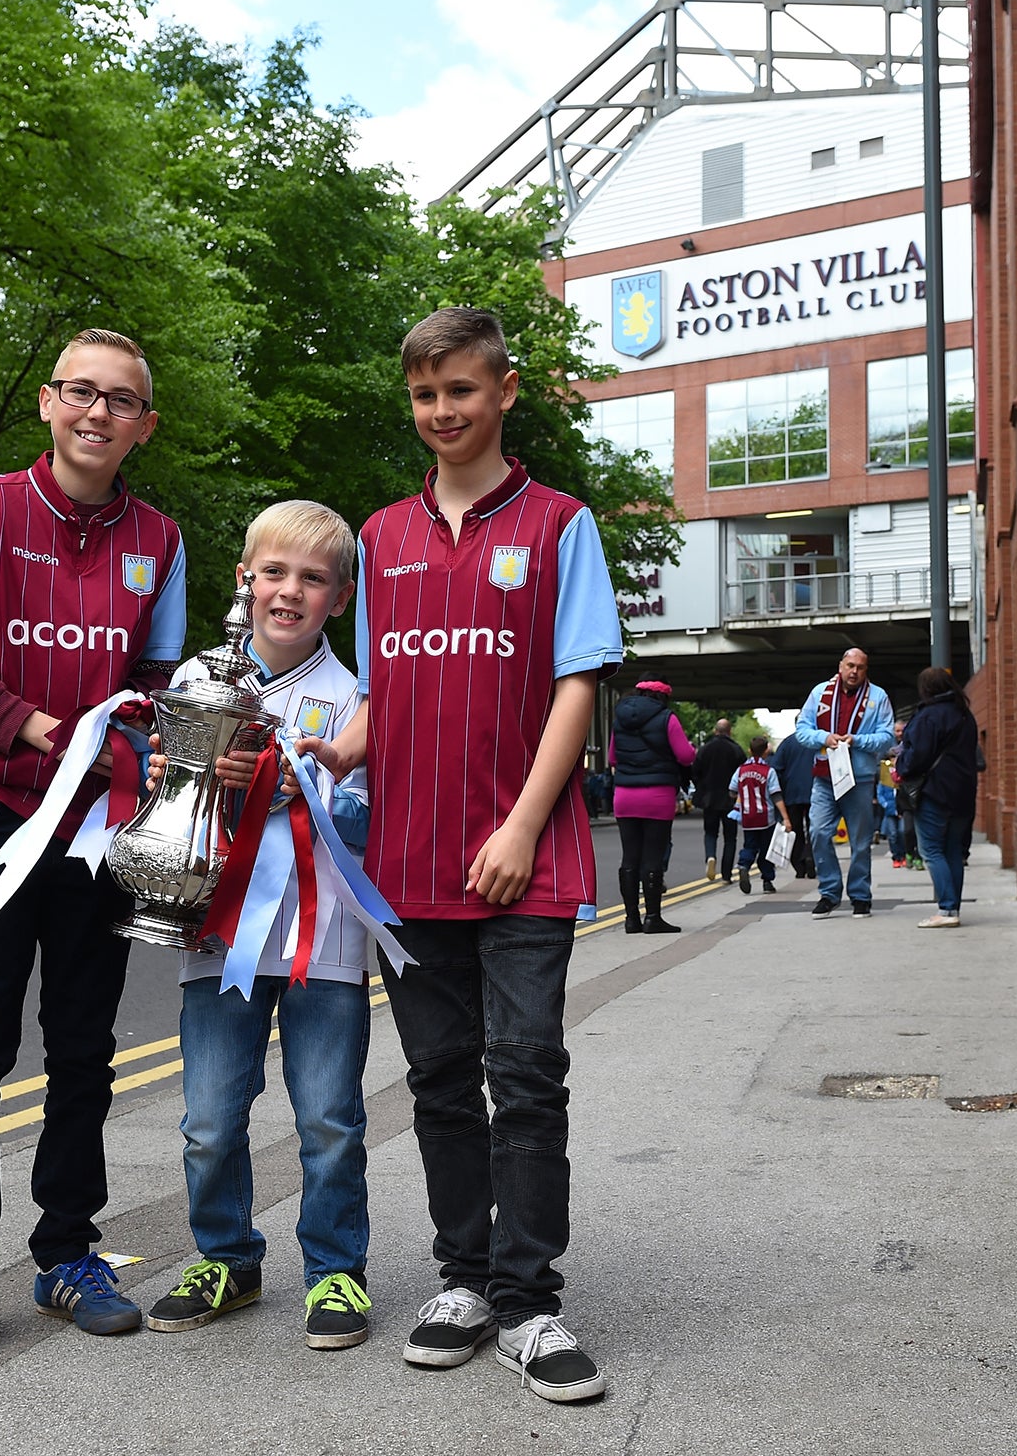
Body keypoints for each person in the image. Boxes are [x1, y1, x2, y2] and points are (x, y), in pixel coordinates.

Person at [301, 307, 620, 1404]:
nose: (443, 412)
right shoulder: (378, 538)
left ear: (504, 392)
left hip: (521, 860)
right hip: (409, 858)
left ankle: (532, 1305)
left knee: (524, 1078)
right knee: (438, 1080)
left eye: (462, 392)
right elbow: (386, 690)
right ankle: (465, 1280)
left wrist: (525, 825)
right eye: (426, 396)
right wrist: (332, 748)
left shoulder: (561, 524)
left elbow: (577, 682)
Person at [0, 329, 188, 1370]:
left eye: (120, 401)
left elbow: (156, 692)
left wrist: (148, 758)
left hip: (98, 831)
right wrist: (42, 734)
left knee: (83, 1048)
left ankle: (68, 1252)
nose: (97, 413)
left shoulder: (159, 536)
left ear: (143, 425)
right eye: (80, 392)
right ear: (46, 403)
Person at [140, 500, 382, 1351]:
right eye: (275, 572)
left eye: (313, 578)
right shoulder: (197, 685)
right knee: (209, 1118)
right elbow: (159, 809)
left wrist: (309, 793)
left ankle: (336, 1272)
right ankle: (227, 1259)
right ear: (245, 579)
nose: (291, 591)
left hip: (327, 945)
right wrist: (176, 778)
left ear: (341, 597)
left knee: (329, 1119)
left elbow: (368, 818)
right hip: (218, 938)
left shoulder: (357, 698)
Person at [792, 648, 895, 918]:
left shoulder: (878, 697)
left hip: (858, 780)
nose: (854, 672)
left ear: (866, 670)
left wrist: (857, 740)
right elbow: (801, 730)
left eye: (860, 667)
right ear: (840, 666)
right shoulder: (819, 693)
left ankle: (860, 895)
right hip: (825, 779)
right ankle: (829, 892)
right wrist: (824, 738)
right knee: (818, 833)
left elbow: (887, 736)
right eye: (850, 665)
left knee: (860, 842)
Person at [897, 666, 983, 929]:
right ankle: (952, 907)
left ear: (926, 689)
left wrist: (900, 765)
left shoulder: (928, 716)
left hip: (934, 791)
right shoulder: (965, 715)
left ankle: (946, 910)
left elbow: (916, 757)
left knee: (931, 850)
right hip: (963, 791)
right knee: (953, 851)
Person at [608, 679, 692, 933]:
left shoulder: (619, 718)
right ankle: (652, 918)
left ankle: (631, 919)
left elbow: (612, 757)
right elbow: (685, 756)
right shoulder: (668, 718)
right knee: (653, 857)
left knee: (629, 857)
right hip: (658, 796)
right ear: (663, 697)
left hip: (624, 795)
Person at [728, 734, 790, 894]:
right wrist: (785, 818)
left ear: (749, 750)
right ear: (766, 752)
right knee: (766, 849)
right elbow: (776, 795)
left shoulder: (740, 770)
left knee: (749, 845)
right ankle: (767, 881)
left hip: (748, 817)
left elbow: (732, 791)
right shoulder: (769, 772)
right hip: (765, 816)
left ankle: (744, 865)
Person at [690, 717, 745, 882]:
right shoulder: (736, 750)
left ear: (716, 731)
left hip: (709, 799)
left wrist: (701, 787)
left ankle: (710, 856)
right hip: (730, 799)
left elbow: (695, 772)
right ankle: (726, 874)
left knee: (710, 833)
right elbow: (742, 774)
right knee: (730, 838)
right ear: (729, 732)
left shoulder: (705, 749)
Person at [768, 729, 817, 879]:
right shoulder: (817, 741)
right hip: (815, 791)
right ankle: (810, 856)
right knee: (814, 829)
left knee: (795, 830)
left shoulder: (787, 743)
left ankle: (799, 865)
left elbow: (776, 768)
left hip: (792, 793)